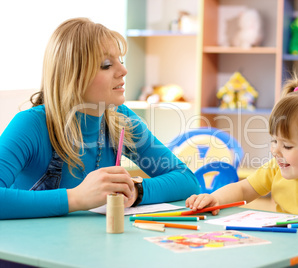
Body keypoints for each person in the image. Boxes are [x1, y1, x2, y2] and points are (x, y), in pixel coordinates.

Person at [0, 18, 199, 220]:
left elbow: (186, 179)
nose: (123, 71)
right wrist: (76, 198)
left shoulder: (120, 118)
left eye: (120, 61)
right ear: (73, 75)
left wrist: (135, 191)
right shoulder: (31, 125)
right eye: (106, 65)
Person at [186, 76, 298, 268]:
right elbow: (244, 189)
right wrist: (216, 199)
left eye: (287, 145)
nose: (275, 151)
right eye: (274, 141)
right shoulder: (276, 167)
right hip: (286, 252)